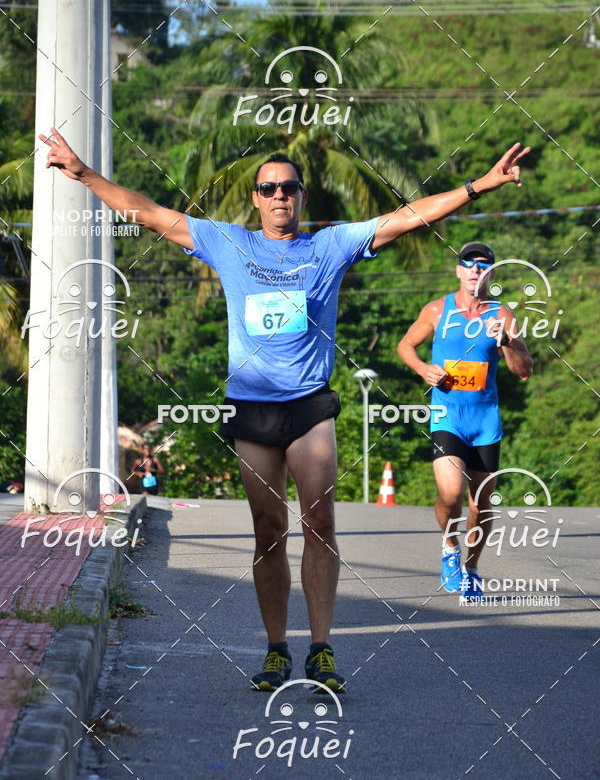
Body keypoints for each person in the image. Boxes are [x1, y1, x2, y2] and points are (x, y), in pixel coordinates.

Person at [41, 126, 530, 689]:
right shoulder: (229, 243)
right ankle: (277, 649)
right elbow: (148, 211)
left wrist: (479, 186)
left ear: (301, 197)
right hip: (252, 409)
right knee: (268, 530)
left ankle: (321, 649)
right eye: (269, 188)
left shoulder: (329, 246)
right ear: (256, 198)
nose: (279, 196)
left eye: (289, 188)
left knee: (320, 521)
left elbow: (409, 216)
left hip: (309, 406)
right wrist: (83, 174)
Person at [398, 241, 533, 600]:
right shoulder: (437, 309)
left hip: (485, 418)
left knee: (481, 503)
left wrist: (506, 342)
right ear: (459, 270)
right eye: (468, 263)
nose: (475, 269)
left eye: (483, 265)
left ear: (490, 274)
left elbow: (524, 371)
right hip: (447, 415)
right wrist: (423, 369)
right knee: (451, 492)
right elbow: (405, 346)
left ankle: (471, 569)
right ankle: (449, 548)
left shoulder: (501, 314)